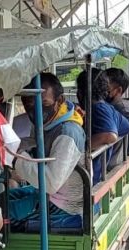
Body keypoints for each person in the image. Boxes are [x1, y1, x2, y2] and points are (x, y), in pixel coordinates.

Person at [9, 72, 87, 229]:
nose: (35, 110)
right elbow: (32, 142)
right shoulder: (49, 123)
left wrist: (17, 158)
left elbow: (51, 183)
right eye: (29, 105)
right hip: (46, 195)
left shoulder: (68, 132)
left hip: (63, 208)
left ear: (59, 101)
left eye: (43, 103)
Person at [75, 68, 129, 183]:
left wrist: (80, 148)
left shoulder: (99, 108)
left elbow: (110, 136)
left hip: (91, 177)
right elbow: (127, 127)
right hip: (98, 172)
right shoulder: (106, 107)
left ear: (81, 92)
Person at [104, 68, 129, 161]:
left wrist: (111, 127)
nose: (102, 89)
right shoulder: (106, 103)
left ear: (118, 90)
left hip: (115, 159)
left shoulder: (121, 105)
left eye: (106, 86)